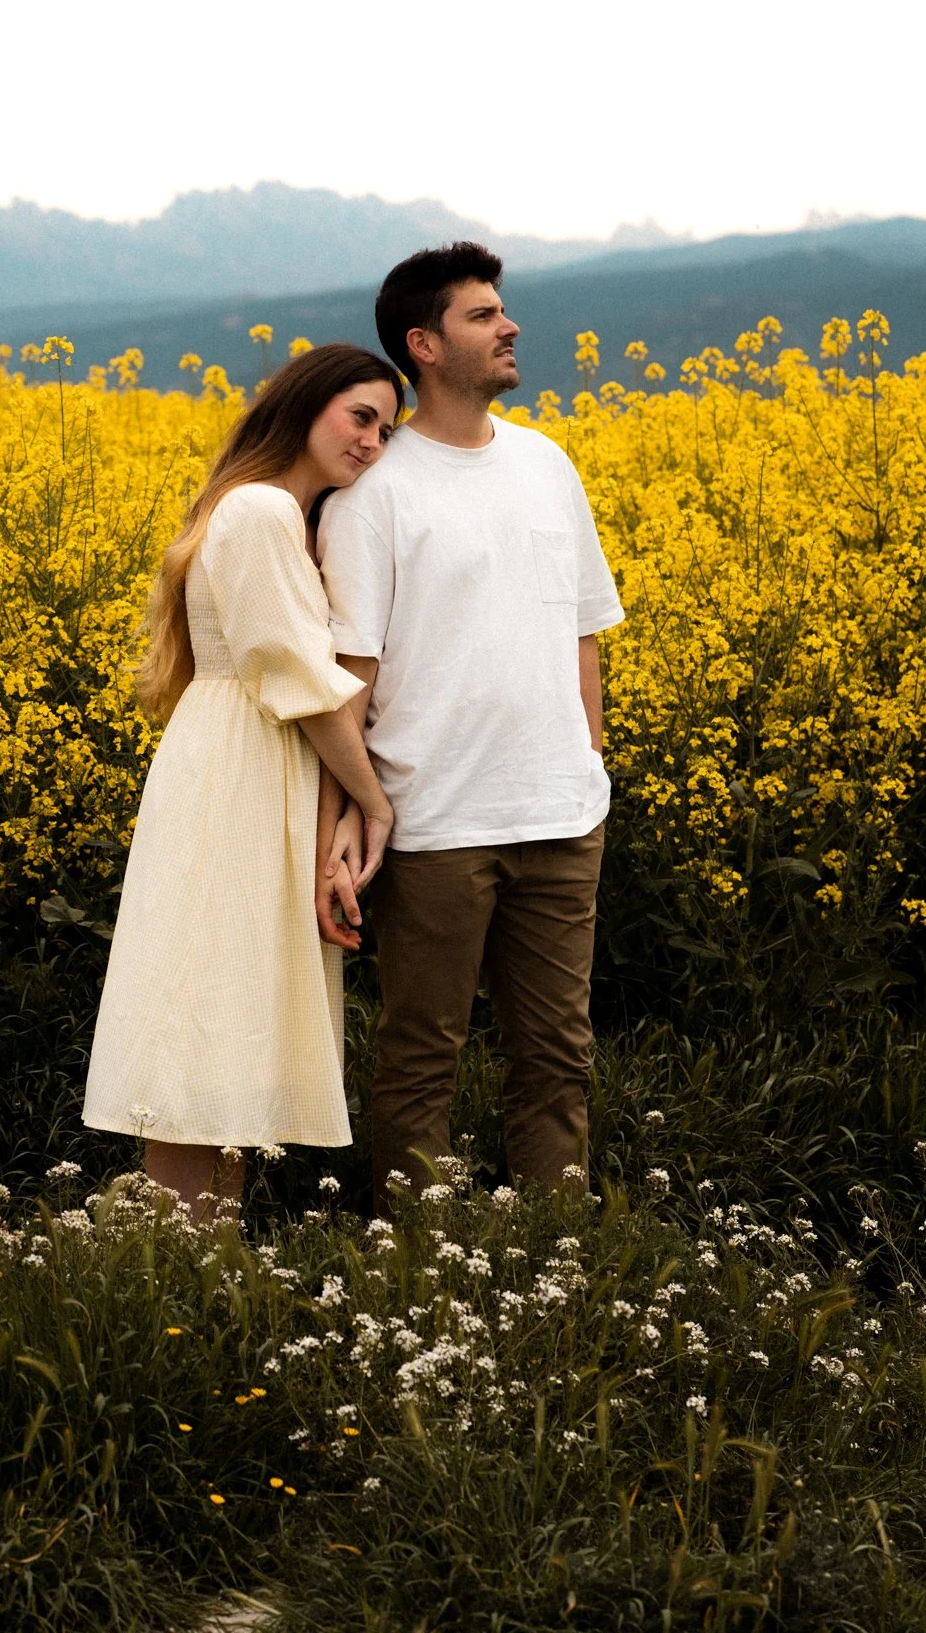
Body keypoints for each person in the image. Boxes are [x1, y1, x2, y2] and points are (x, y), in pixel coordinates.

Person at [315, 242, 624, 1200]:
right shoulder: (374, 491)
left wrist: (587, 760)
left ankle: (556, 1246)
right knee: (420, 1054)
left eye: (503, 310)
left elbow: (583, 629)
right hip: (435, 818)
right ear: (426, 344)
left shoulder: (546, 464)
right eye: (483, 315)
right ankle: (417, 1262)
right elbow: (350, 673)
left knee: (557, 1052)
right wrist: (343, 823)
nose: (509, 326)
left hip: (560, 814)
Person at [83, 343, 404, 1220]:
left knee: (220, 1003)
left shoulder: (274, 514)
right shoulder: (261, 509)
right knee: (208, 995)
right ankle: (169, 1250)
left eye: (387, 426)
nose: (374, 441)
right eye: (359, 415)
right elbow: (295, 681)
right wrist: (374, 805)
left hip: (246, 763)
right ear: (302, 407)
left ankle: (185, 1247)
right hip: (243, 770)